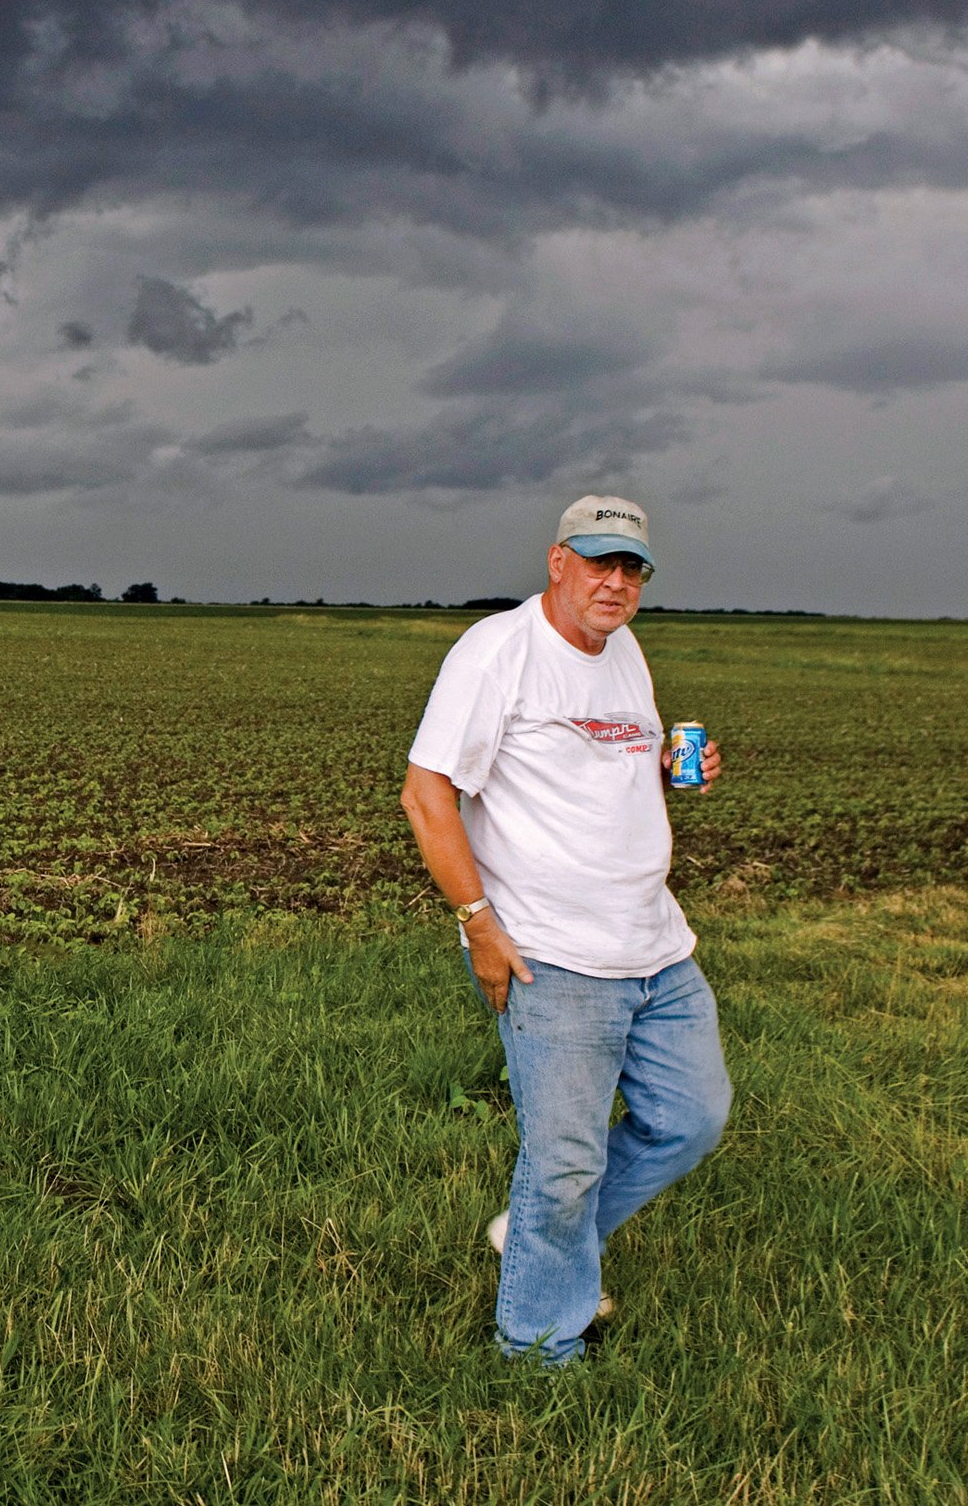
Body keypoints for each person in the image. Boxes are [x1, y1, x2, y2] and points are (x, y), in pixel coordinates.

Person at [399, 495, 732, 1364]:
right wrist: (478, 923)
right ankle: (539, 1343)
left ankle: (538, 1238)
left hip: (656, 944)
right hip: (551, 954)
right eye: (598, 562)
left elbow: (612, 780)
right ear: (557, 561)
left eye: (632, 568)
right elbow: (426, 791)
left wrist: (665, 770)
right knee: (565, 1160)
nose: (615, 582)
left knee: (692, 1117)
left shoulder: (625, 652)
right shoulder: (498, 653)